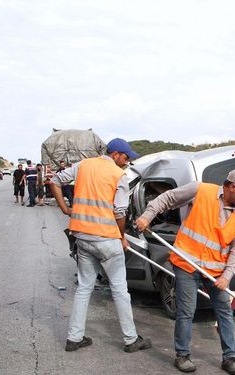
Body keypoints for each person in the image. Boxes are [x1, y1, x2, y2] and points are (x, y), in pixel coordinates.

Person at [135, 168, 235, 375]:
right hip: (187, 264)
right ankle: (182, 355)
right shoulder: (201, 190)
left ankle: (230, 358)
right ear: (232, 187)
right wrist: (147, 216)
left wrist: (226, 276)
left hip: (216, 272)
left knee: (224, 311)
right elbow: (167, 198)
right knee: (187, 310)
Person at [49, 138, 151, 353]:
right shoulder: (118, 175)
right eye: (125, 157)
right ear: (115, 154)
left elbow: (55, 181)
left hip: (83, 237)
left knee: (84, 288)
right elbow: (120, 212)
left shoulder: (84, 165)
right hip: (106, 239)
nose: (126, 161)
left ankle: (74, 338)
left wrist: (64, 208)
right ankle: (131, 339)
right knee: (120, 290)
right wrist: (121, 236)